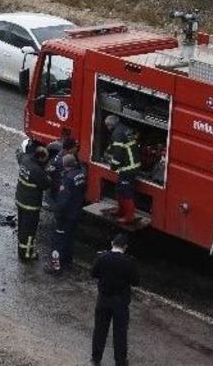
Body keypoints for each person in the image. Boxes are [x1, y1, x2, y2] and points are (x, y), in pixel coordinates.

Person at [91, 233, 139, 366]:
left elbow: (93, 273)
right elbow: (136, 281)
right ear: (125, 247)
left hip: (103, 300)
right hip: (120, 303)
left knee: (100, 329)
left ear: (112, 243)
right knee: (120, 333)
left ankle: (96, 358)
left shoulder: (102, 257)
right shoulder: (129, 262)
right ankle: (120, 361)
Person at [47, 154, 86, 274]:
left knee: (57, 241)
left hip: (65, 216)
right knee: (69, 239)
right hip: (75, 214)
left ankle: (55, 267)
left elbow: (63, 201)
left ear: (66, 165)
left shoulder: (67, 179)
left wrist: (57, 212)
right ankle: (68, 263)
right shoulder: (81, 175)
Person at [15, 145, 51, 260]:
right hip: (31, 205)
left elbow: (19, 155)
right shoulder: (37, 170)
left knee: (22, 227)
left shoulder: (25, 160)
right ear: (40, 158)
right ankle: (27, 254)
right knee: (30, 231)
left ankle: (21, 250)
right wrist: (49, 174)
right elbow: (46, 185)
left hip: (20, 200)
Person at [104, 115, 141, 225]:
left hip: (129, 168)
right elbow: (115, 145)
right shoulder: (123, 128)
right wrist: (109, 150)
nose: (107, 128)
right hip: (131, 164)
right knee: (119, 189)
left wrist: (113, 166)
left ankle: (129, 216)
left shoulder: (117, 134)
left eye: (107, 126)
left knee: (126, 192)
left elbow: (118, 155)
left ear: (110, 125)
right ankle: (121, 210)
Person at [48, 136, 79, 204]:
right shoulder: (62, 161)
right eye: (75, 147)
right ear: (70, 149)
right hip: (59, 192)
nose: (77, 149)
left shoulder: (64, 155)